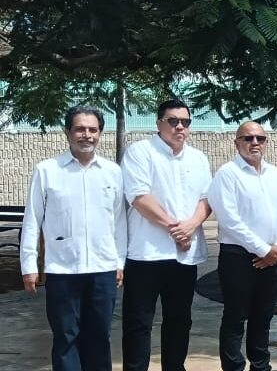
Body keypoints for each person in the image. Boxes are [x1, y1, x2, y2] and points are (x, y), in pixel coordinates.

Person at [20, 106, 127, 371]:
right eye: (80, 129)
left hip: (103, 270)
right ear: (68, 132)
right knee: (66, 338)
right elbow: (32, 220)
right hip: (62, 270)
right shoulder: (47, 170)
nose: (86, 135)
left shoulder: (112, 172)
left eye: (92, 129)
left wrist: (119, 261)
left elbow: (119, 222)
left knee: (99, 338)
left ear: (100, 133)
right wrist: (29, 265)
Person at [122, 99, 214, 371]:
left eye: (185, 122)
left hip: (184, 257)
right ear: (159, 123)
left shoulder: (198, 158)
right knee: (139, 322)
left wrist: (191, 226)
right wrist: (177, 230)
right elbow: (139, 197)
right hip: (146, 254)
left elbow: (207, 199)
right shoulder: (140, 152)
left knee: (179, 320)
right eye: (173, 121)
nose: (179, 127)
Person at [208, 121, 277, 371]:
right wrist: (263, 250)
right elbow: (229, 219)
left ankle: (260, 366)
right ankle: (234, 366)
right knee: (235, 317)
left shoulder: (274, 173)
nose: (254, 143)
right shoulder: (227, 173)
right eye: (248, 138)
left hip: (273, 256)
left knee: (263, 316)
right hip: (238, 257)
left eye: (260, 138)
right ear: (237, 143)